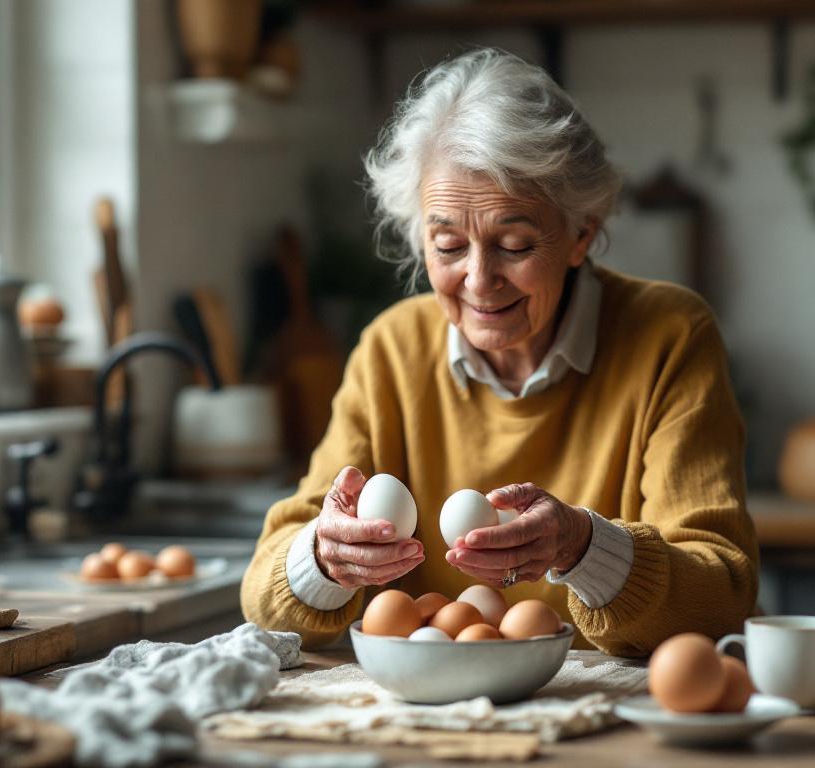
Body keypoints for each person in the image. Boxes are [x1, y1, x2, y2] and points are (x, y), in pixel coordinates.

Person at [240, 48, 757, 657]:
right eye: (449, 246)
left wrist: (585, 547)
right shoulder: (392, 350)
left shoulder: (669, 335)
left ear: (581, 233)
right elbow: (264, 595)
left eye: (513, 245)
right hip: (435, 723)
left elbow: (723, 589)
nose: (480, 280)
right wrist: (327, 560)